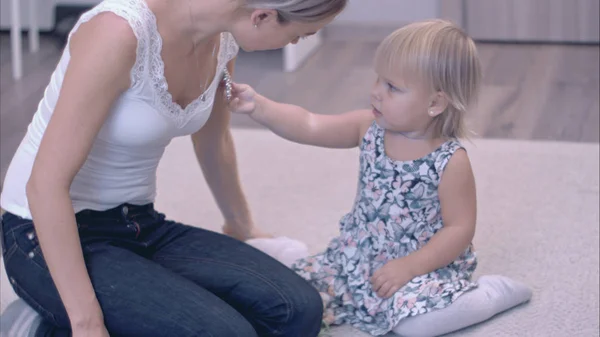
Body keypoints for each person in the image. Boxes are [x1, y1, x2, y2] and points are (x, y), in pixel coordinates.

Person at [0, 0, 347, 336]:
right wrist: (86, 323)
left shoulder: (221, 41)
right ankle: (44, 327)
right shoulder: (118, 32)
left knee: (297, 308)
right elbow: (44, 185)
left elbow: (214, 143)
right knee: (224, 333)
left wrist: (243, 228)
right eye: (300, 35)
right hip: (44, 234)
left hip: (137, 222)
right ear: (262, 16)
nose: (296, 42)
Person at [231, 20, 533, 336]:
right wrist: (259, 107)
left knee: (417, 326)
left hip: (422, 269)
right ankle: (287, 249)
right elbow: (310, 125)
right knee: (298, 293)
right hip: (356, 260)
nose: (375, 92)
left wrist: (411, 267)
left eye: (392, 87)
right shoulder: (369, 129)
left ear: (435, 103)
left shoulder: (449, 161)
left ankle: (489, 295)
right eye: (378, 80)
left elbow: (459, 229)